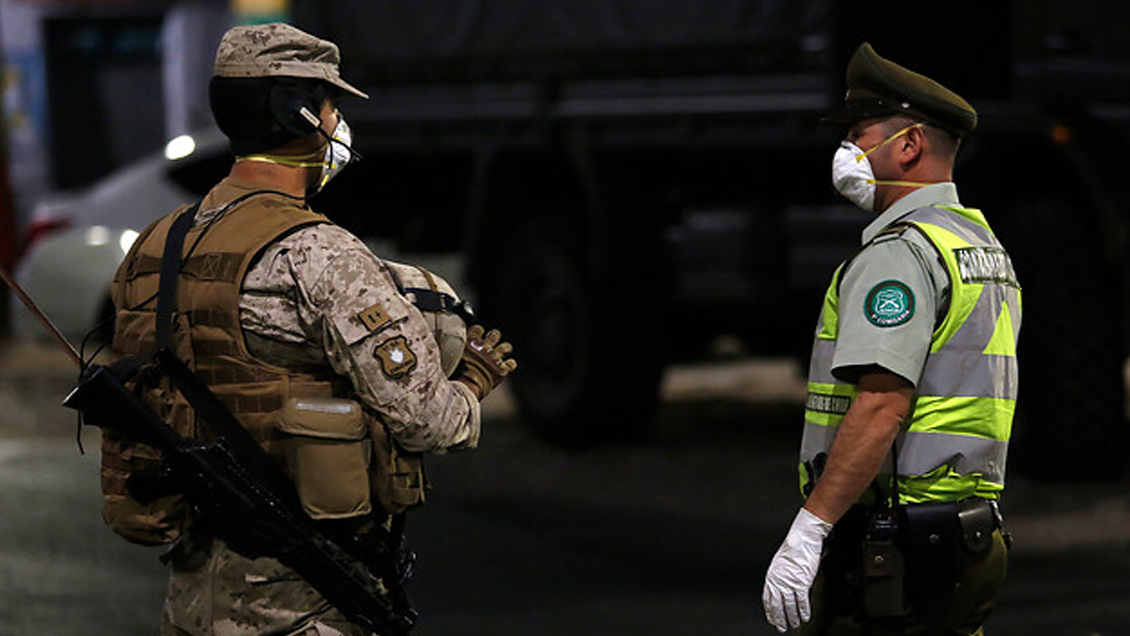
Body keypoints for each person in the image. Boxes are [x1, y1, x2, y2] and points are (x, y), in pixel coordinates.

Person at [101, 22, 516, 636]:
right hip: (300, 604)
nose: (336, 122)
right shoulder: (321, 255)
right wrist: (474, 379)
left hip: (190, 604)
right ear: (299, 113)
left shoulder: (154, 248)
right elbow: (430, 422)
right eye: (331, 105)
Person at [761, 43, 1020, 635]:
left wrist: (809, 531)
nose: (847, 151)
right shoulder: (981, 248)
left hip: (899, 549)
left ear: (908, 146)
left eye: (860, 133)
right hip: (969, 538)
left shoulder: (900, 256)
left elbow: (880, 405)